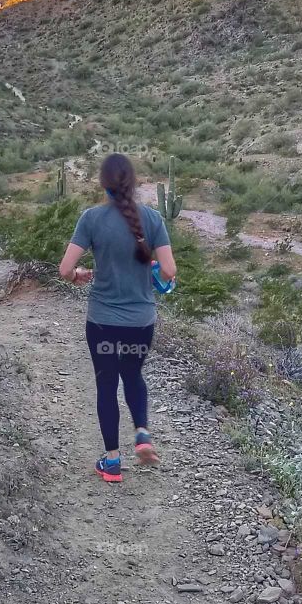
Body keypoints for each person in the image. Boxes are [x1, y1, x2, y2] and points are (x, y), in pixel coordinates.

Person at [58, 153, 177, 483]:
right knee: (134, 374)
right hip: (141, 322)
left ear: (103, 183)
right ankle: (142, 433)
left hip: (102, 322)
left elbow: (65, 269)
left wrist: (78, 275)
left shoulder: (91, 218)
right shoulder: (152, 219)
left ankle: (111, 462)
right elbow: (169, 270)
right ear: (134, 182)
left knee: (106, 385)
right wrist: (152, 268)